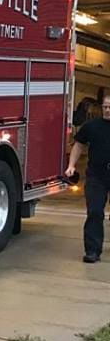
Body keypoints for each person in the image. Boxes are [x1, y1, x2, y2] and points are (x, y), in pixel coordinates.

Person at [65, 94, 110, 262]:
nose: (107, 110)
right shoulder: (92, 126)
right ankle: (92, 251)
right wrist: (71, 165)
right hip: (96, 176)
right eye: (105, 106)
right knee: (95, 212)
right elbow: (78, 144)